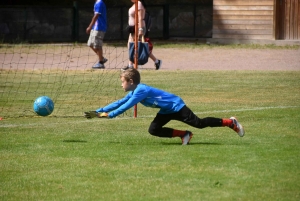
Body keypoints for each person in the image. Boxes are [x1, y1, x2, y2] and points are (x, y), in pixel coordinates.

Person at [84, 68, 245, 145]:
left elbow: (126, 106)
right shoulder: (135, 91)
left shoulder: (140, 91)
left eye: (122, 82)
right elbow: (119, 102)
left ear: (131, 82)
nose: (121, 85)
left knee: (200, 124)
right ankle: (185, 135)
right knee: (153, 130)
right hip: (166, 111)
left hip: (176, 106)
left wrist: (110, 115)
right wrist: (99, 111)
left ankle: (231, 122)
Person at [123, 0, 162, 70]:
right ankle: (156, 61)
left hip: (138, 28)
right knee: (131, 46)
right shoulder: (134, 4)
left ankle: (131, 65)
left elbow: (140, 18)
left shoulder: (139, 4)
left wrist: (140, 29)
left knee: (139, 47)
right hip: (133, 29)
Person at [86, 0, 108, 69]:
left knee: (98, 45)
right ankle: (102, 58)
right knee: (90, 44)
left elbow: (96, 15)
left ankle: (101, 63)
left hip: (99, 27)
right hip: (95, 27)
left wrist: (89, 26)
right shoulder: (96, 2)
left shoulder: (100, 2)